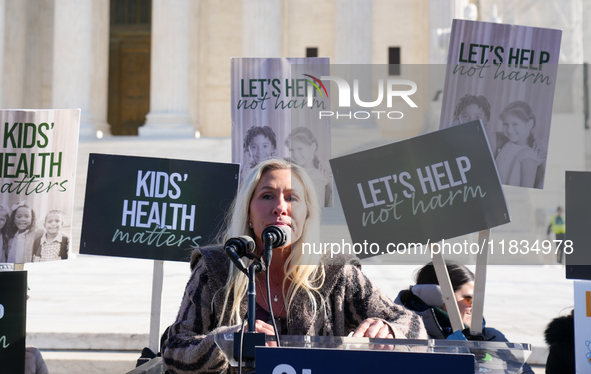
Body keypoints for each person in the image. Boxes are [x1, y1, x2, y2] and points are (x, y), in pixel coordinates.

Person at [162, 158, 427, 373]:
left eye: (292, 198)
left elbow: (412, 325)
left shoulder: (337, 272)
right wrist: (227, 342)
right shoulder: (217, 266)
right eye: (267, 196)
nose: (280, 207)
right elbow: (175, 349)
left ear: (307, 214)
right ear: (249, 213)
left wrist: (390, 329)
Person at [395, 261, 534, 373]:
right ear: (436, 297)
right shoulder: (409, 341)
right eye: (468, 298)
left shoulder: (492, 338)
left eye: (477, 299)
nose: (475, 306)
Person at [494, 101, 541, 188]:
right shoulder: (508, 144)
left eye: (515, 124)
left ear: (529, 124)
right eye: (505, 124)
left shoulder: (528, 156)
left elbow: (526, 190)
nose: (509, 130)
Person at [284, 126, 332, 207]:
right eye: (291, 150)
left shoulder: (317, 175)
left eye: (300, 149)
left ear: (313, 147)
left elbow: (318, 208)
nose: (295, 155)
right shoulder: (293, 170)